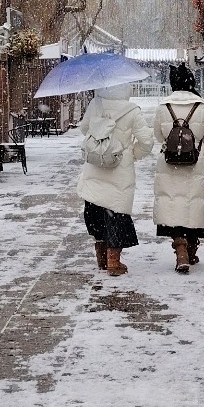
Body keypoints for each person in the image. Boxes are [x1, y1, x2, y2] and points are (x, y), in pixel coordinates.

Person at [74, 82, 152, 276]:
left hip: (96, 164)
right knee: (117, 212)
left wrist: (101, 136)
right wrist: (131, 154)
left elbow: (84, 129)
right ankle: (113, 261)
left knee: (95, 209)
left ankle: (101, 257)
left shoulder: (95, 104)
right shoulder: (132, 111)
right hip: (120, 169)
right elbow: (147, 141)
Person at [150, 65, 204, 273]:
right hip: (196, 163)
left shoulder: (164, 107)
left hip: (169, 164)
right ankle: (192, 249)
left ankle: (180, 248)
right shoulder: (202, 107)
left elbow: (158, 136)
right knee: (193, 205)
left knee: (174, 206)